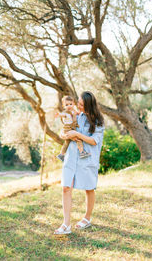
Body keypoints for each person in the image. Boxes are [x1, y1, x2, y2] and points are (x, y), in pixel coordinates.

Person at [54, 91, 105, 235]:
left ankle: (87, 218)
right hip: (71, 157)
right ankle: (66, 224)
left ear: (89, 105)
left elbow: (94, 141)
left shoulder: (98, 121)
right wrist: (64, 135)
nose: (78, 106)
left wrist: (77, 135)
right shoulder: (76, 115)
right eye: (78, 103)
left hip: (87, 159)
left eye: (81, 104)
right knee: (65, 188)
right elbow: (68, 129)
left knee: (89, 188)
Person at [55, 95, 91, 162]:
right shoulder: (66, 112)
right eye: (66, 105)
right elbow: (63, 115)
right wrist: (59, 115)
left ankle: (61, 154)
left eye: (70, 104)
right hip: (68, 129)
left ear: (73, 104)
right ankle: (82, 152)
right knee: (78, 140)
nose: (69, 106)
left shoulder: (73, 111)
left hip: (71, 129)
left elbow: (77, 113)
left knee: (67, 142)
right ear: (63, 106)